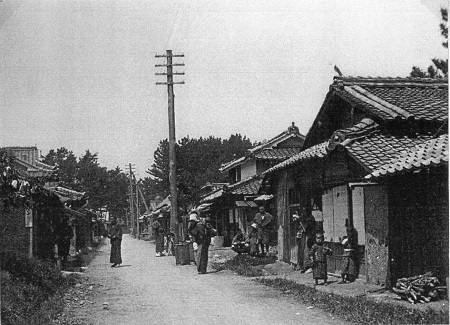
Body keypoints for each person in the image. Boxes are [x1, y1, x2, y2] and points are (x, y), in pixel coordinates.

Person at [294, 207, 317, 272]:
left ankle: (307, 266)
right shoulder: (303, 218)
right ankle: (301, 265)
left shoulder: (310, 218)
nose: (304, 213)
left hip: (309, 236)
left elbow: (308, 227)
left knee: (307, 251)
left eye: (305, 212)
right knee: (301, 250)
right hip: (303, 237)